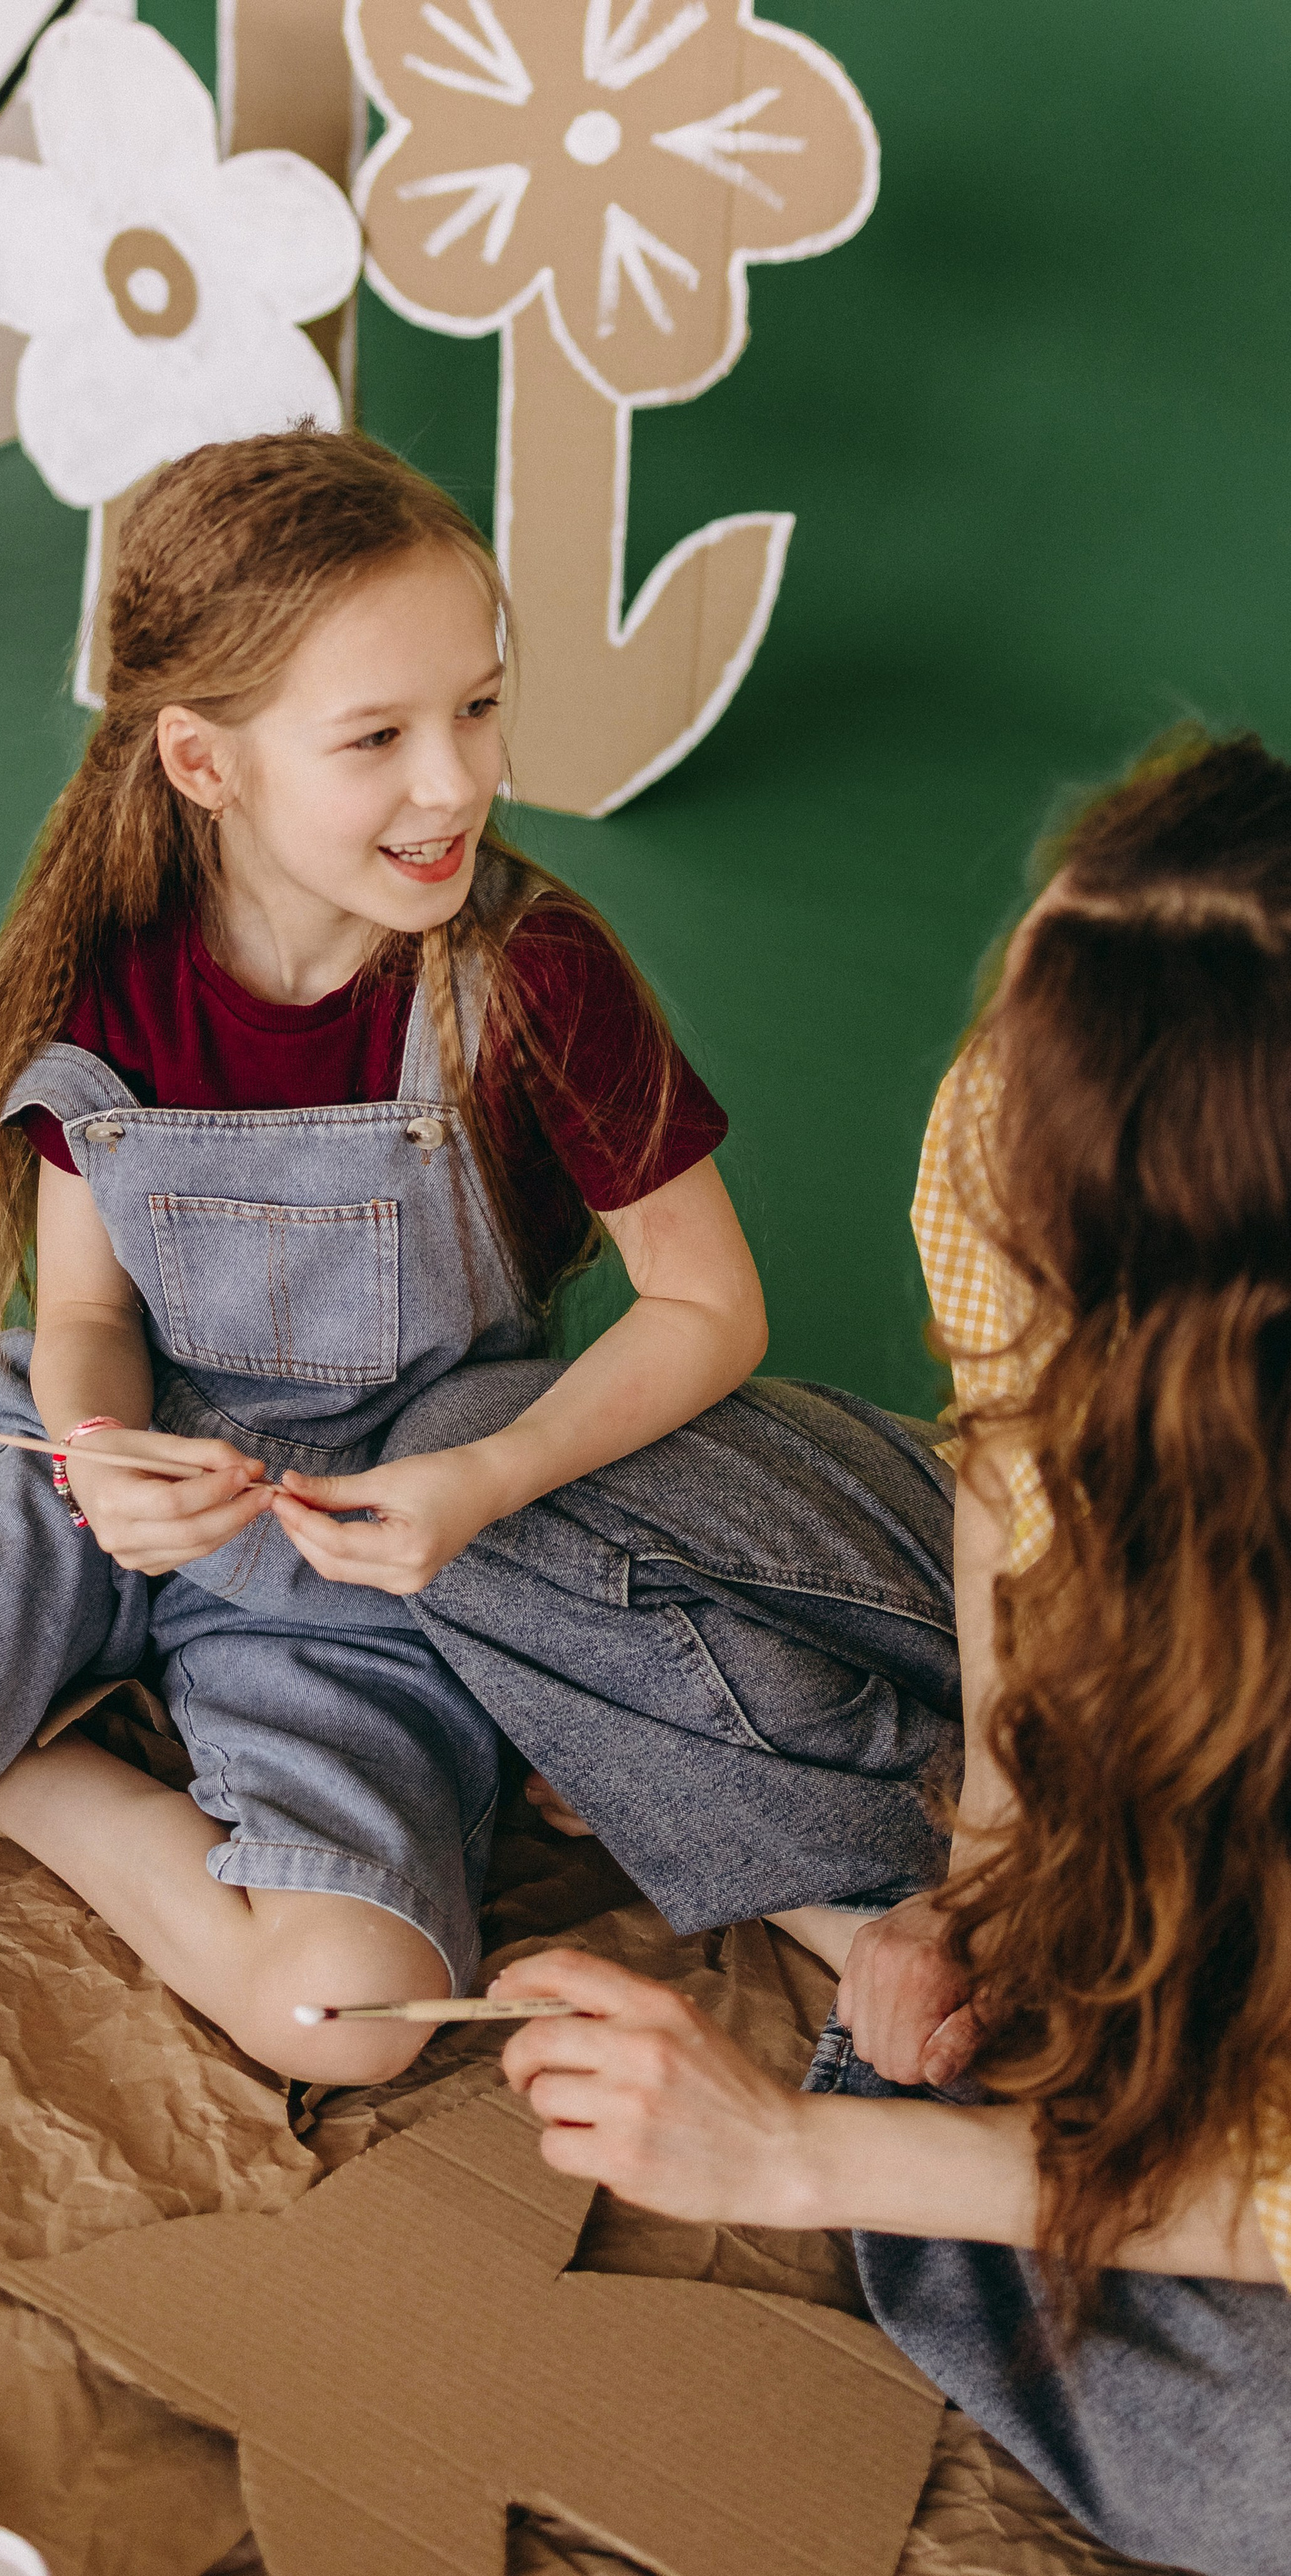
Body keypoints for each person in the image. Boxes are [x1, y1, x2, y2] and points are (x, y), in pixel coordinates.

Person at [0, 426, 768, 2085]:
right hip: (107, 1482)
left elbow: (710, 1306)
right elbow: (81, 1306)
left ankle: (2, 1759)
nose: (456, 781)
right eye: (377, 736)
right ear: (203, 762)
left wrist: (486, 1480)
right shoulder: (108, 970)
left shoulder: (530, 974)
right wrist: (97, 1451)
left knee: (341, 2020)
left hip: (379, 1548)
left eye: (478, 706)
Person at [469, 732, 1291, 2575]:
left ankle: (942, 2094)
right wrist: (986, 1865)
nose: (986, 1081)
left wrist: (787, 2157)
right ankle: (949, 2024)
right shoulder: (1015, 1109)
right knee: (480, 1485)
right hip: (1106, 1690)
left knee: (1262, 2477)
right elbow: (1001, 1480)